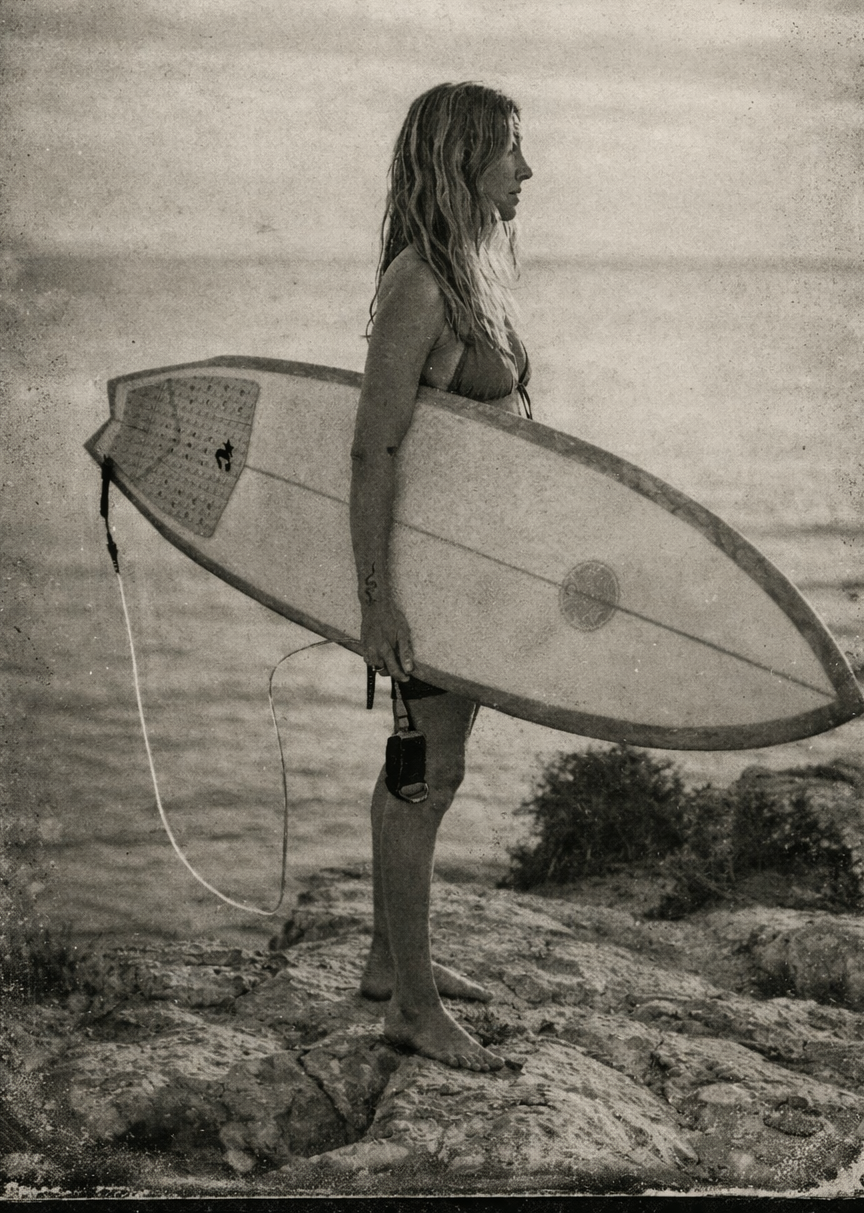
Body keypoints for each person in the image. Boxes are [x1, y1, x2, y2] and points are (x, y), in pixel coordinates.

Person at [349, 81, 533, 1071]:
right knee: (429, 772)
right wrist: (378, 607)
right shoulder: (419, 283)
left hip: (464, 578)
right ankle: (412, 1013)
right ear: (460, 161)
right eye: (509, 152)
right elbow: (371, 452)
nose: (527, 172)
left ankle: (388, 960)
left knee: (416, 764)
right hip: (427, 591)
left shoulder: (471, 270)